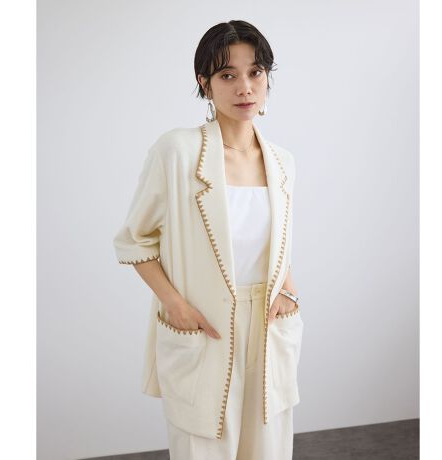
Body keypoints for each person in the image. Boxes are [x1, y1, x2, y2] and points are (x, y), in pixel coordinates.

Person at [113, 19, 304, 460]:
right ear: (205, 83)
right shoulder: (177, 152)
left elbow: (278, 243)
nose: (245, 87)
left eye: (255, 72)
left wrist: (289, 292)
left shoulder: (283, 162)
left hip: (269, 325)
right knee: (203, 448)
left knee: (269, 449)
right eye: (228, 75)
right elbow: (135, 240)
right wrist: (175, 306)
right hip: (204, 324)